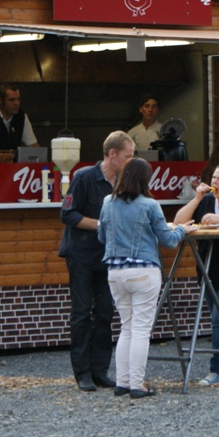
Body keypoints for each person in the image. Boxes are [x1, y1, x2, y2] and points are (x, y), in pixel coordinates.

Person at [98, 158, 195, 397]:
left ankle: (122, 382)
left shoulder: (108, 202)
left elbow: (102, 236)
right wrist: (182, 229)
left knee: (127, 327)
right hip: (143, 271)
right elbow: (169, 241)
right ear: (146, 179)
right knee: (141, 329)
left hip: (115, 272)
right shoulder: (150, 204)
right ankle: (137, 385)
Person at [59, 131, 135, 392]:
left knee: (104, 313)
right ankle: (82, 373)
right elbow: (67, 214)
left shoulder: (123, 182)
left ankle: (100, 371)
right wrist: (102, 225)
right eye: (128, 156)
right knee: (81, 313)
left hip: (108, 257)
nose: (131, 161)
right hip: (80, 254)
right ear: (112, 154)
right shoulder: (83, 177)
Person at [173, 164, 219, 385]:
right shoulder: (206, 200)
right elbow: (178, 221)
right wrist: (196, 198)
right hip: (208, 266)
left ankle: (218, 369)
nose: (215, 182)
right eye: (214, 178)